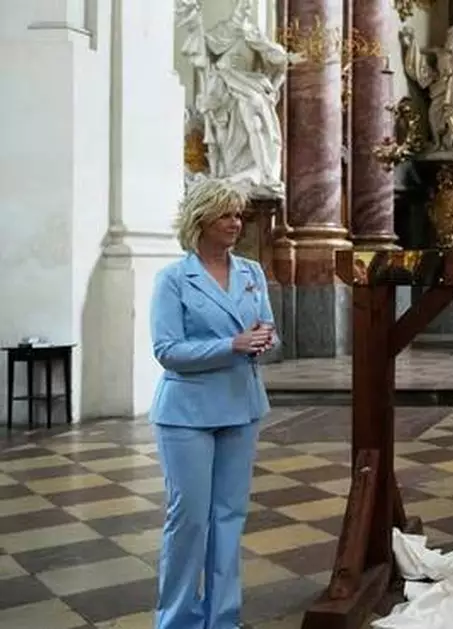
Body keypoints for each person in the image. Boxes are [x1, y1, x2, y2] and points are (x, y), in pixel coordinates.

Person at [149, 177, 278, 629]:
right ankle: (178, 620)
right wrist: (232, 345)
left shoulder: (251, 273)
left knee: (229, 517)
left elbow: (268, 329)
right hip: (187, 414)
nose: (236, 223)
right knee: (188, 521)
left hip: (242, 406)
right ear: (201, 220)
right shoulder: (173, 280)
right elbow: (167, 351)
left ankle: (223, 618)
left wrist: (263, 341)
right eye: (226, 214)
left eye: (238, 215)